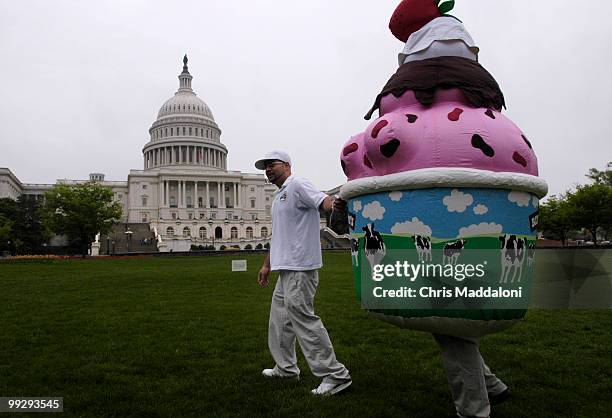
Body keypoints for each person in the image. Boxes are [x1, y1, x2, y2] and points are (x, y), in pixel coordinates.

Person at [255, 150, 352, 396]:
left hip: (301, 267)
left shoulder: (297, 184)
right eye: (265, 166)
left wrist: (336, 203)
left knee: (304, 320)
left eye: (272, 164)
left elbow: (323, 201)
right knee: (279, 323)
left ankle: (335, 375)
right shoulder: (279, 197)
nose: (268, 169)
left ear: (287, 165)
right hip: (285, 268)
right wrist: (267, 264)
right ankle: (286, 368)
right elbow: (278, 236)